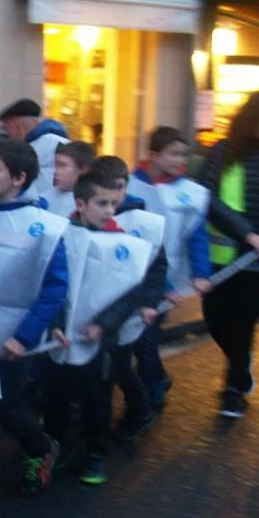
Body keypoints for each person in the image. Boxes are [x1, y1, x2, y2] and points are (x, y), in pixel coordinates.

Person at [0, 139, 68, 511]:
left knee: (5, 405)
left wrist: (24, 337)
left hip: (16, 335)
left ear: (19, 178)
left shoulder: (47, 227)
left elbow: (54, 289)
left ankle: (40, 448)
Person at [42, 171, 152, 484]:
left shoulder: (123, 242)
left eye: (112, 204)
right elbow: (48, 284)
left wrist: (104, 324)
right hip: (61, 336)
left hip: (100, 337)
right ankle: (56, 444)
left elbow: (131, 292)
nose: (109, 210)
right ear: (80, 204)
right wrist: (55, 324)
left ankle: (95, 452)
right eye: (101, 203)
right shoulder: (60, 235)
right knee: (55, 394)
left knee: (97, 397)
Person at [127, 127, 213, 413]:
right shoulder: (129, 187)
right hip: (130, 277)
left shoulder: (190, 194)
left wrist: (201, 273)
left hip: (166, 279)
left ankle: (151, 392)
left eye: (183, 154)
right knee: (137, 339)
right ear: (154, 155)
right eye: (173, 154)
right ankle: (156, 381)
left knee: (145, 338)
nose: (180, 160)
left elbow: (196, 235)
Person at [200, 87, 259, 418]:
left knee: (242, 322)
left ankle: (234, 387)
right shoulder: (223, 152)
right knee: (215, 318)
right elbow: (206, 198)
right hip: (222, 257)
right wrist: (246, 233)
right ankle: (240, 363)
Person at [92, 156, 168, 440]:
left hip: (128, 306)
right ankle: (134, 410)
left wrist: (149, 302)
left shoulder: (143, 223)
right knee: (113, 366)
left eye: (120, 187)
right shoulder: (92, 216)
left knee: (117, 365)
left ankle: (135, 411)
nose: (115, 195)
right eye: (108, 187)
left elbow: (157, 265)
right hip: (99, 304)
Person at [0, 98, 70, 199]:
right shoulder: (56, 142)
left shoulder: (56, 143)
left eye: (7, 127)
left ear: (17, 124)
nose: (7, 133)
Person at [40, 140, 96, 217]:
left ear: (83, 169)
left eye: (62, 165)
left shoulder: (96, 202)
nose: (56, 172)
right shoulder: (44, 199)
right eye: (56, 165)